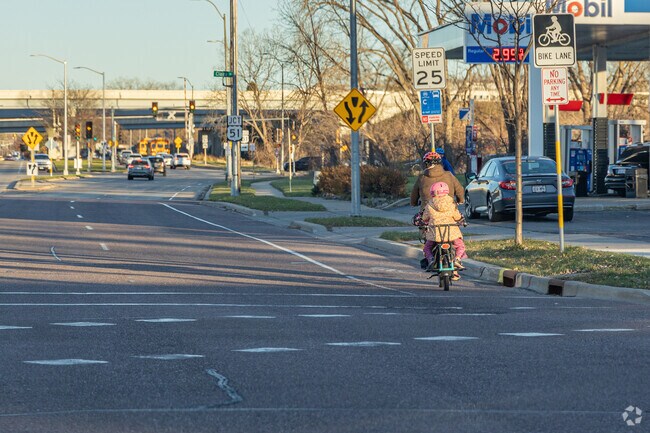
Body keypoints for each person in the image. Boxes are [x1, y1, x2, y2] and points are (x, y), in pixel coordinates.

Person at [422, 181, 468, 280]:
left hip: (435, 234)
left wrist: (424, 220)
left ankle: (431, 260)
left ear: (433, 192)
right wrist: (461, 219)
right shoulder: (451, 203)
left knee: (427, 247)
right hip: (451, 233)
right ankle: (457, 259)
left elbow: (425, 217)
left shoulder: (430, 204)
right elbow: (457, 216)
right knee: (460, 246)